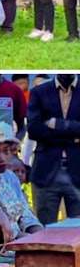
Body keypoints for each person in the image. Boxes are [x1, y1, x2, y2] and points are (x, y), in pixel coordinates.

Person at [27, 74, 80, 225]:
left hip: (77, 170)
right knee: (44, 232)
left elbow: (42, 129)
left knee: (78, 235)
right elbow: (33, 130)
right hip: (45, 171)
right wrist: (74, 136)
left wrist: (55, 124)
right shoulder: (39, 92)